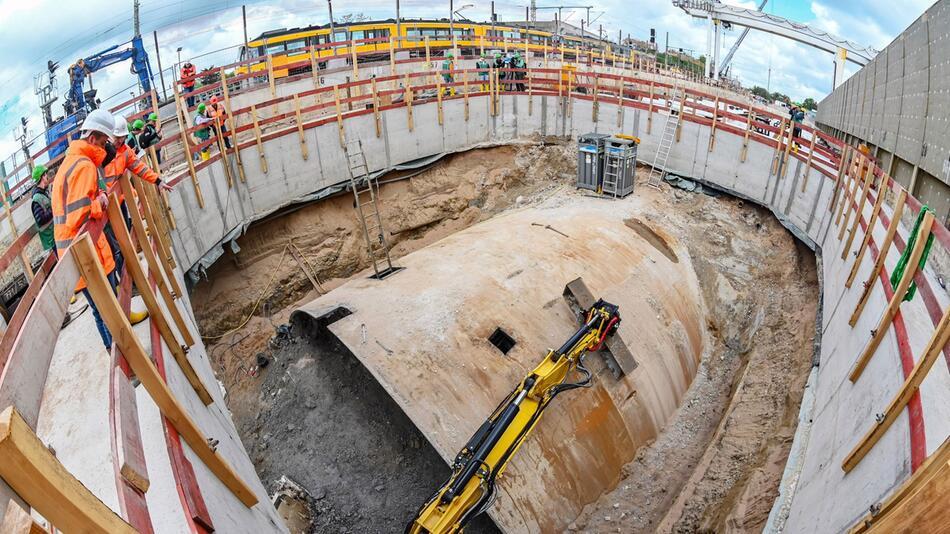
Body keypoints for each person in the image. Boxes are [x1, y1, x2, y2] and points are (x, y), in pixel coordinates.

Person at [51, 108, 117, 350]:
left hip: (74, 254)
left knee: (101, 310)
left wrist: (96, 195)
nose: (104, 149)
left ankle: (117, 358)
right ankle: (121, 363)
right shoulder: (84, 166)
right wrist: (100, 202)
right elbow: (78, 216)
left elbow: (77, 201)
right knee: (108, 310)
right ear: (92, 139)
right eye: (103, 142)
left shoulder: (71, 163)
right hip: (87, 254)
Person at [30, 164, 55, 253]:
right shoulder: (37, 198)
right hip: (51, 237)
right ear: (42, 177)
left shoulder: (44, 193)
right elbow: (40, 219)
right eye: (45, 175)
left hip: (55, 233)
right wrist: (54, 209)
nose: (47, 177)